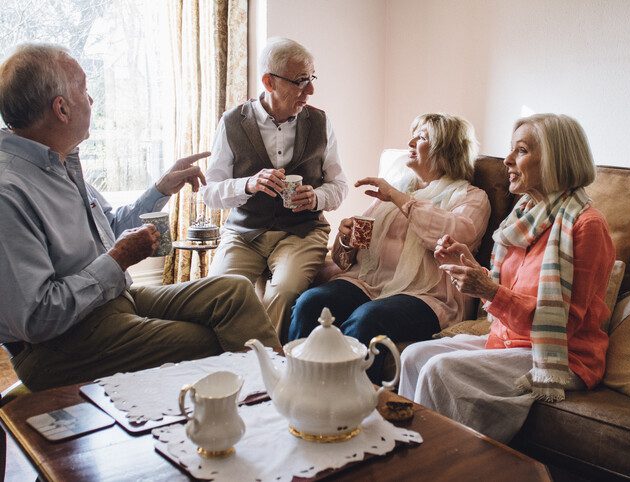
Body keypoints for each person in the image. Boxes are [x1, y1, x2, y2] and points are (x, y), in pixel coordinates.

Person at [0, 43, 280, 391]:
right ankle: (260, 415)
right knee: (203, 342)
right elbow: (39, 317)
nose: (92, 100)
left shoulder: (59, 163)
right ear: (61, 109)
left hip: (112, 302)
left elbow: (107, 227)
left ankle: (279, 402)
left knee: (234, 292)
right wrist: (117, 259)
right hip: (55, 346)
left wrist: (161, 188)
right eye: (85, 91)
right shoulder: (9, 191)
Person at [399, 114, 615, 443]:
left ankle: (443, 466)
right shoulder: (526, 215)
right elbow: (506, 291)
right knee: (413, 356)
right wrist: (471, 267)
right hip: (511, 340)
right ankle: (413, 455)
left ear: (556, 159)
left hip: (560, 354)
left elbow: (565, 323)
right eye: (510, 150)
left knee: (439, 370)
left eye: (522, 151)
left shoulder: (585, 226)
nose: (508, 161)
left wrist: (489, 290)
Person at [288, 113, 490, 384]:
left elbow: (454, 236)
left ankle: (344, 399)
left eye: (421, 137)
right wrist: (347, 238)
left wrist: (399, 198)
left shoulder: (470, 197)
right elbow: (353, 251)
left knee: (368, 319)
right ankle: (295, 385)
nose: (410, 142)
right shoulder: (397, 189)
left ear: (447, 149)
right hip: (369, 283)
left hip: (426, 296)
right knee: (309, 303)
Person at [201, 37, 348, 338]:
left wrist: (316, 197)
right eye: (300, 81)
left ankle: (269, 369)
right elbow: (210, 192)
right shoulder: (232, 122)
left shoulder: (320, 122)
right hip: (244, 233)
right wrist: (248, 184)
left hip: (302, 233)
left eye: (311, 78)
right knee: (218, 293)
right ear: (269, 82)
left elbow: (340, 185)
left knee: (283, 291)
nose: (311, 90)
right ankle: (229, 365)